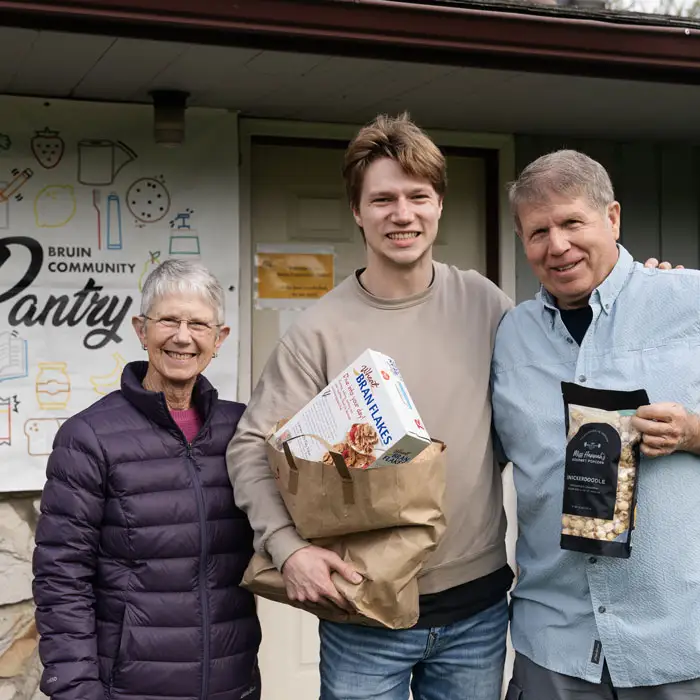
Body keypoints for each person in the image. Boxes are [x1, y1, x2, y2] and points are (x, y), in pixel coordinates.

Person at [228, 113, 513, 700]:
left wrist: (637, 291)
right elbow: (250, 446)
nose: (401, 214)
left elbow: (557, 369)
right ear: (357, 211)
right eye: (382, 199)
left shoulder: (484, 304)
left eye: (418, 196)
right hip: (363, 612)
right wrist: (288, 549)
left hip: (476, 613)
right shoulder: (320, 330)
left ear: (438, 206)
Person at [492, 150, 700, 699]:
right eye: (538, 231)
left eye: (571, 222)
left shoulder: (690, 302)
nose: (556, 245)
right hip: (554, 642)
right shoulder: (511, 336)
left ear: (612, 218)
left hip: (677, 640)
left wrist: (694, 433)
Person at [33, 260, 262, 700]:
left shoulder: (243, 431)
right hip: (130, 687)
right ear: (141, 329)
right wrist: (77, 690)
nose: (182, 336)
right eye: (168, 320)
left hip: (231, 682)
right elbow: (61, 576)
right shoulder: (89, 437)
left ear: (219, 338)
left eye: (198, 324)